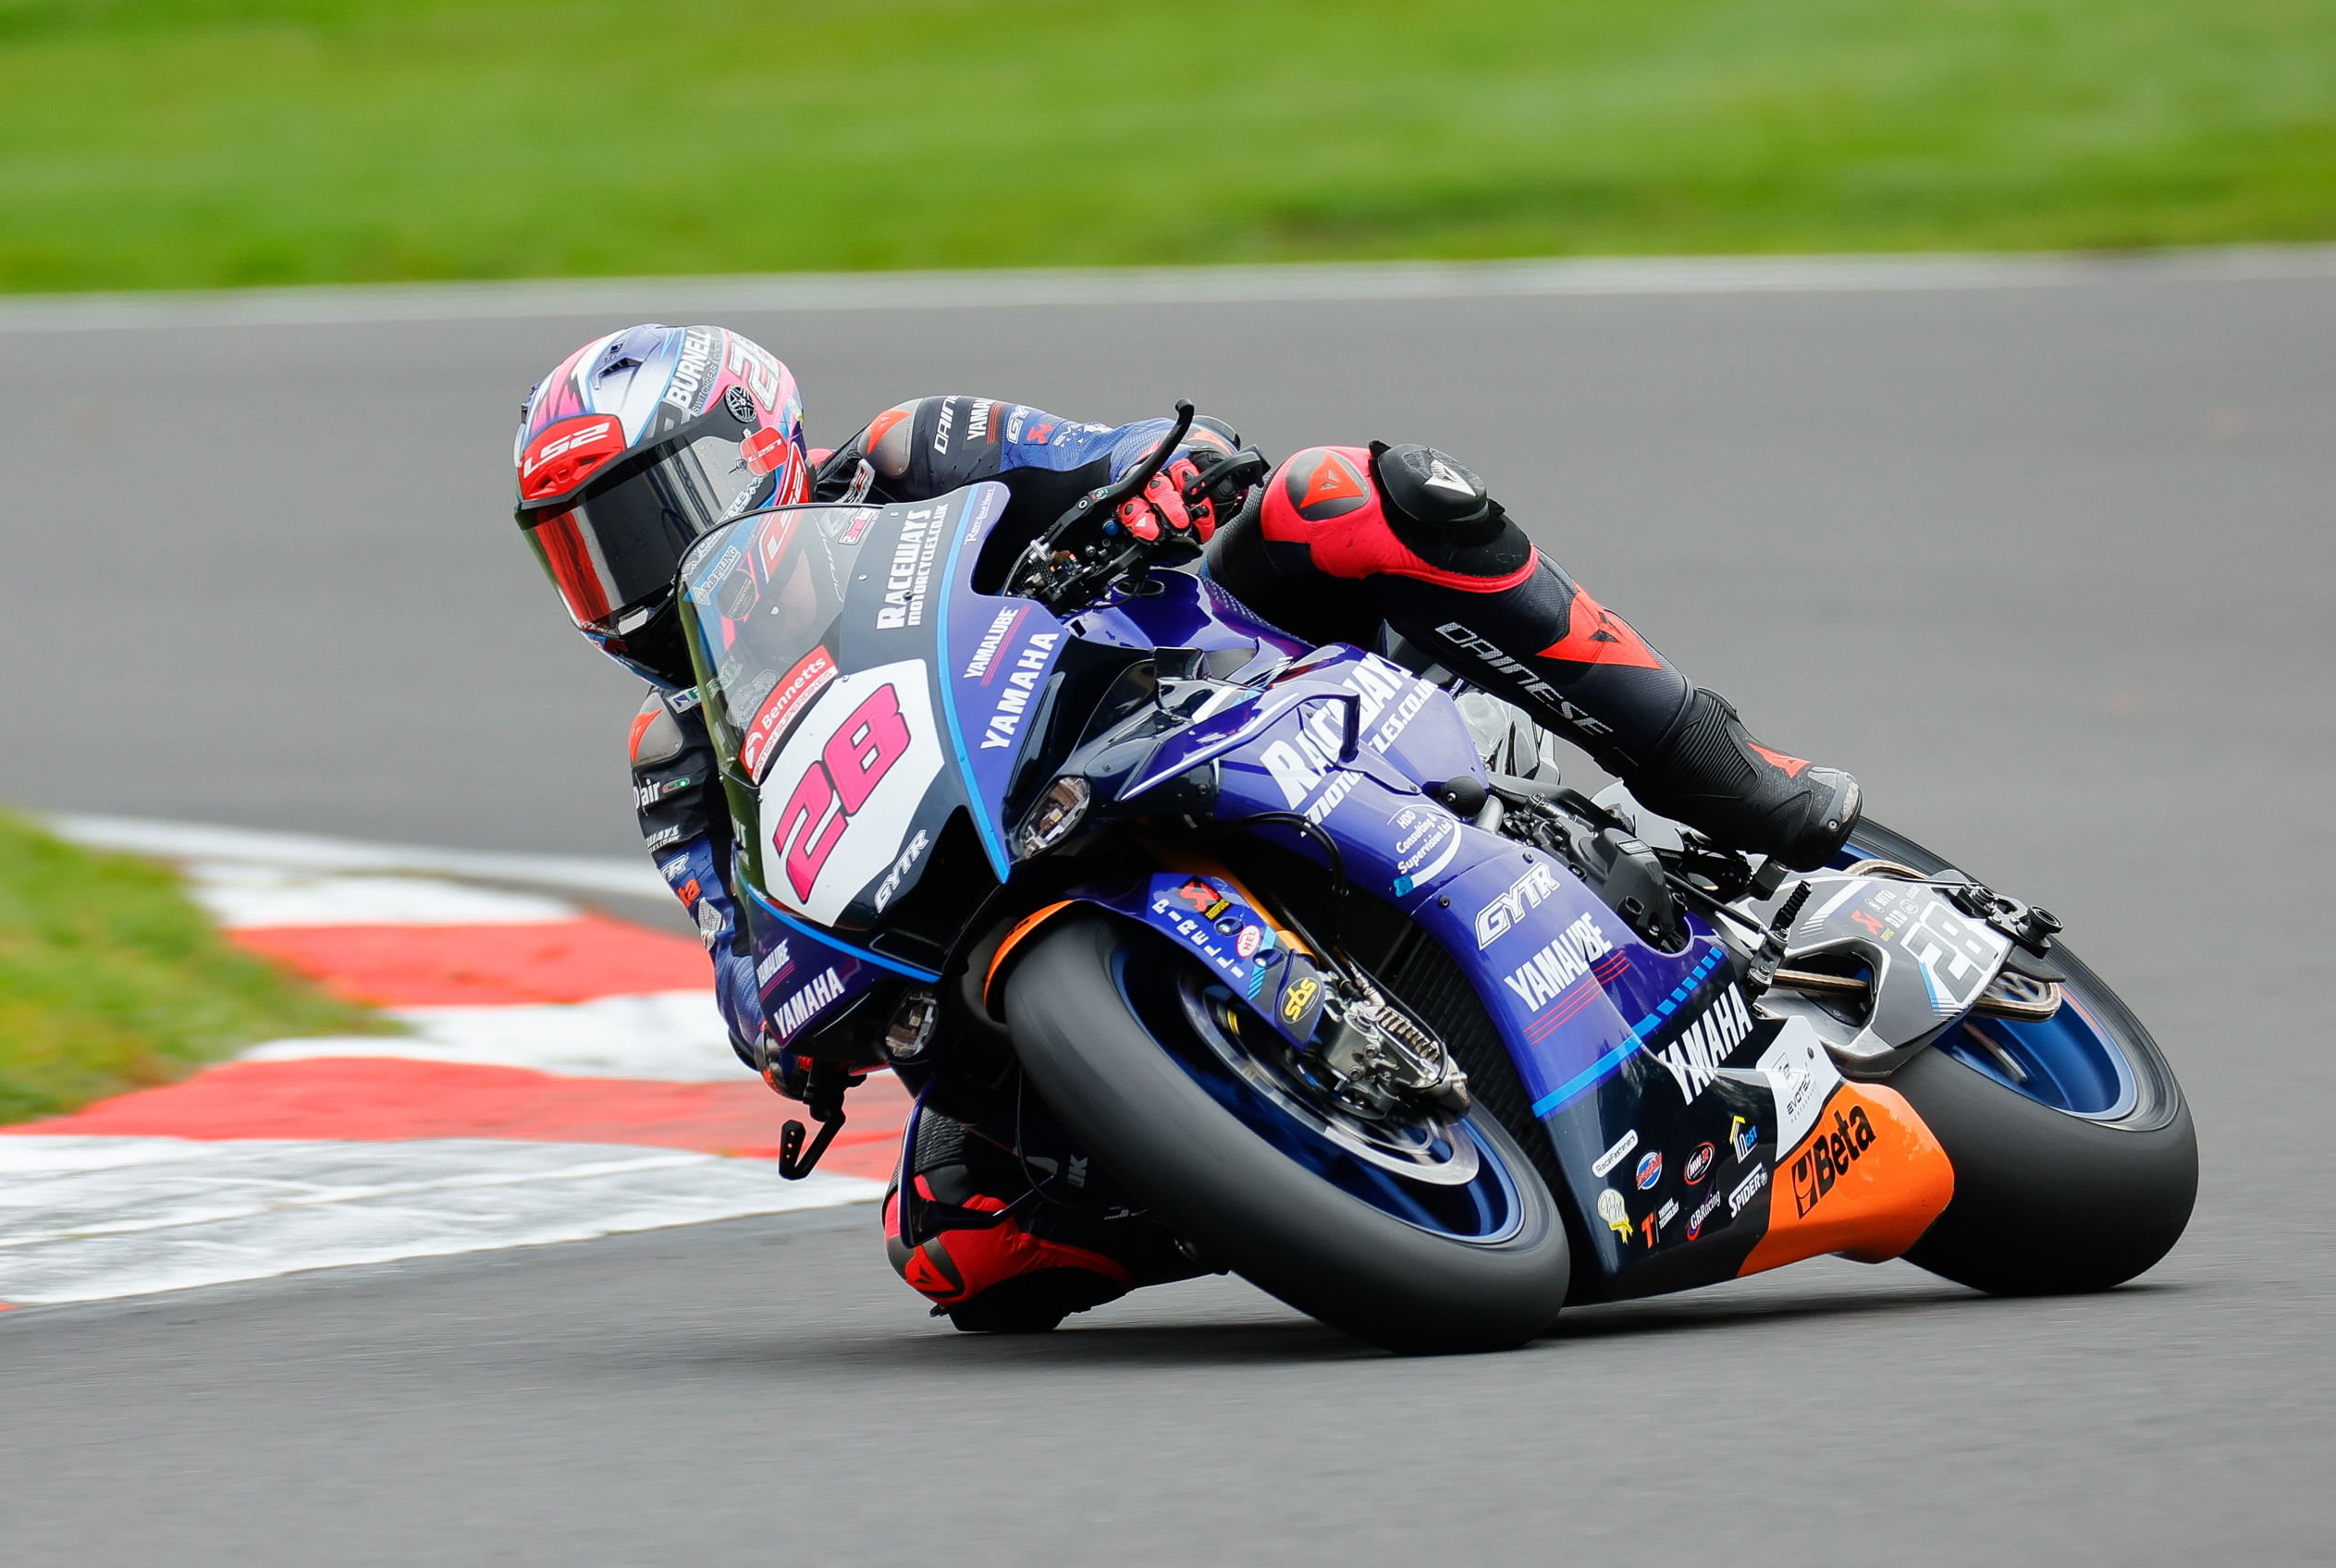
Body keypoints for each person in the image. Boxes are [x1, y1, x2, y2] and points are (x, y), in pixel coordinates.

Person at [512, 324, 1859, 1330]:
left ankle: (1714, 766)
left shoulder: (908, 454)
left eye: (645, 517)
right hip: (976, 916)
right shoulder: (683, 756)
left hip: (1185, 694)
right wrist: (792, 1038)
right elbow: (738, 948)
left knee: (1351, 494)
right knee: (957, 1246)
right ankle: (1275, 1165)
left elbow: (1114, 453)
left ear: (754, 448)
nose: (627, 580)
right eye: (581, 551)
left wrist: (1159, 481)